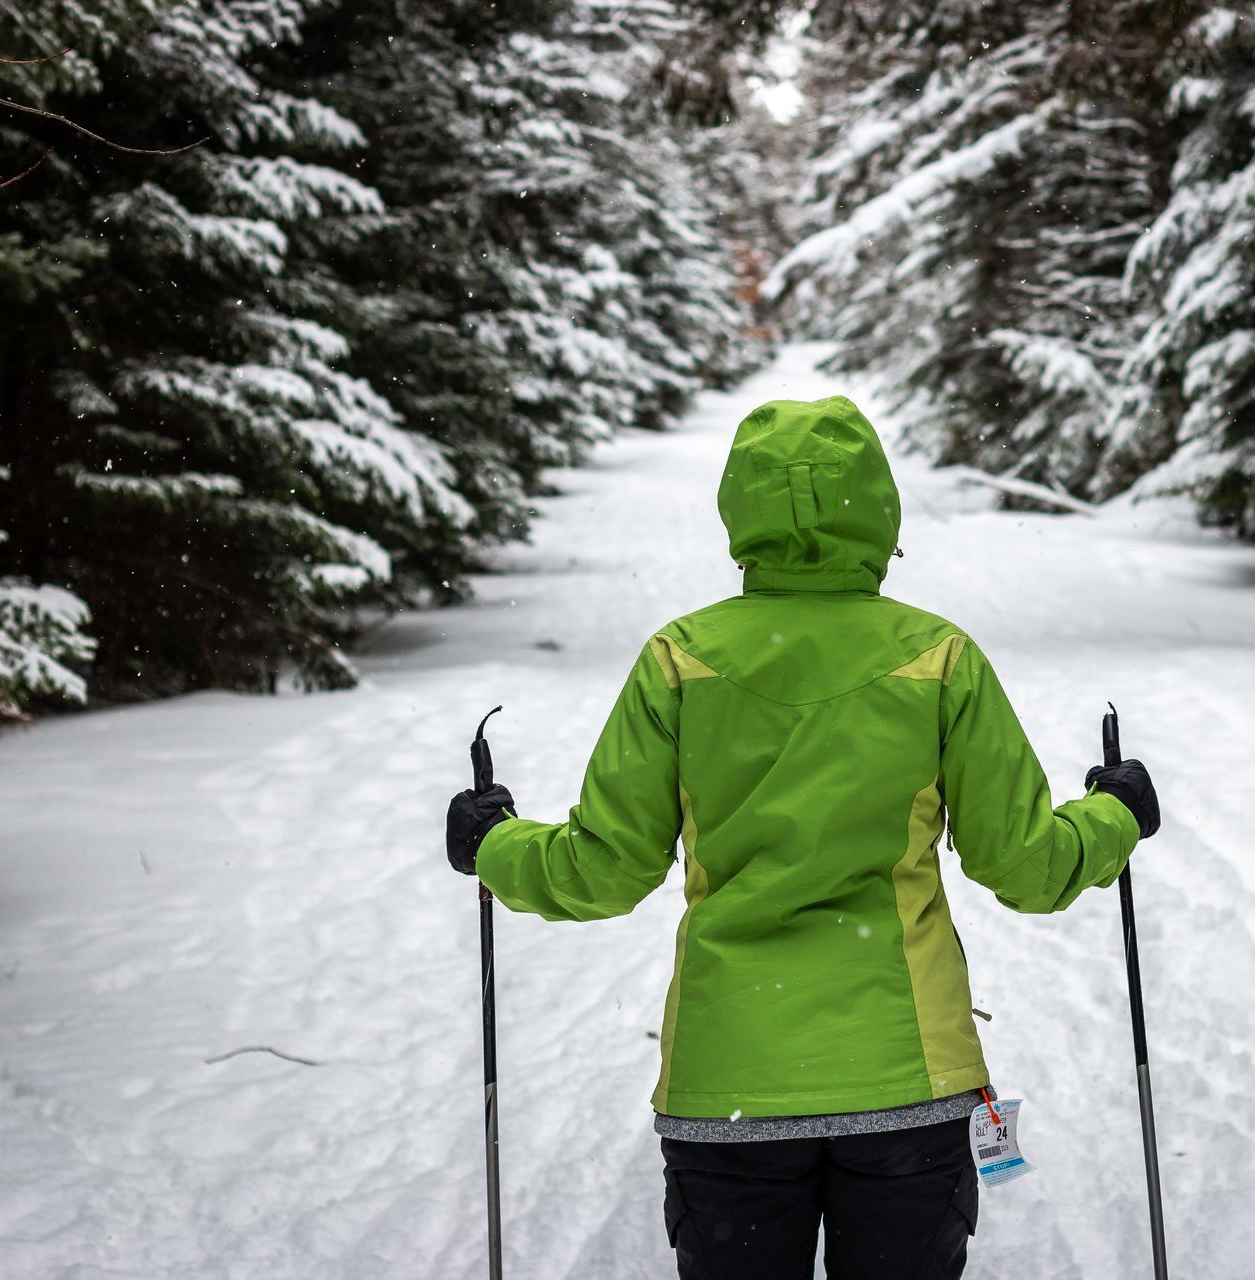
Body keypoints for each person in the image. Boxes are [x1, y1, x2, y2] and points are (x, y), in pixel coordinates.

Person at [446, 396, 1161, 1280]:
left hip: (731, 1089)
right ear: (878, 511)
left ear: (739, 511)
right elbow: (1026, 865)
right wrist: (1116, 813)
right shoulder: (937, 659)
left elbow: (602, 869)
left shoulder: (680, 659)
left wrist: (495, 844)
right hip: (907, 1084)